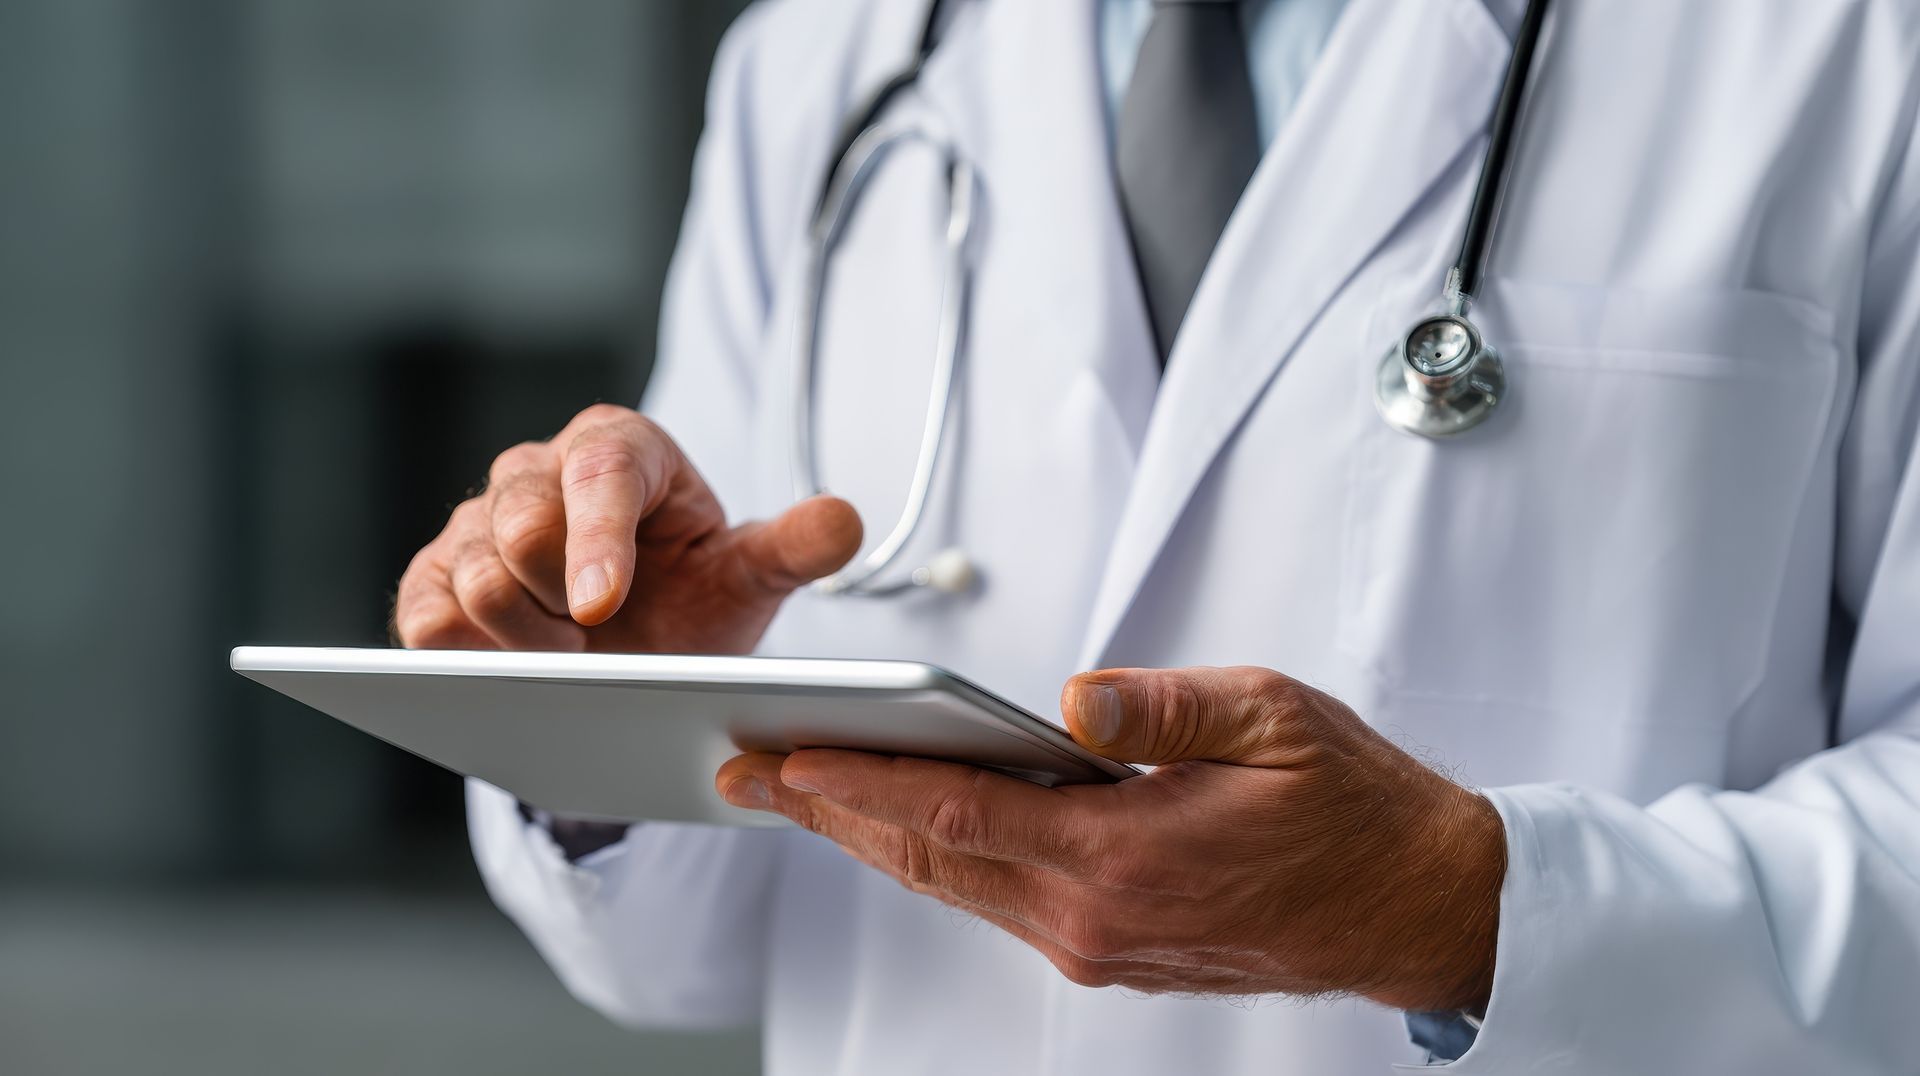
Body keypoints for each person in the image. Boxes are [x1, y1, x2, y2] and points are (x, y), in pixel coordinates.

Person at [391, 0, 1920, 1071]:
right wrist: (618, 716)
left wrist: (1472, 911)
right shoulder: (822, 62)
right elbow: (677, 961)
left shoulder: (1851, 47)